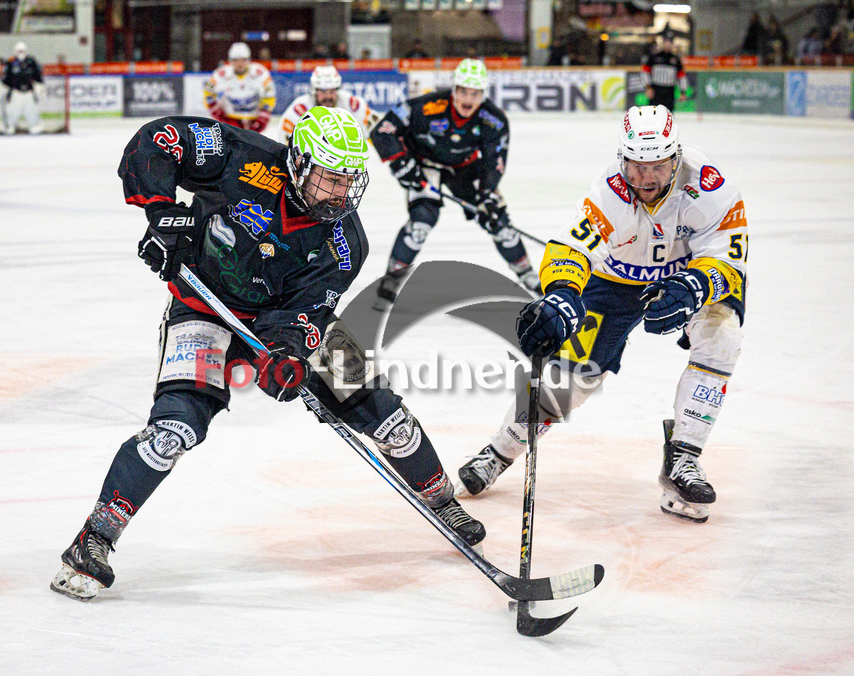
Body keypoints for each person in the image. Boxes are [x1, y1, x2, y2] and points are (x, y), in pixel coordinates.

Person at [49, 107, 486, 601]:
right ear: (299, 163)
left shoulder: (346, 243)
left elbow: (309, 313)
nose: (340, 194)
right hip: (202, 306)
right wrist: (162, 216)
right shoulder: (242, 158)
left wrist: (288, 356)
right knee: (172, 431)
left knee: (386, 417)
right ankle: (93, 540)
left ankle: (442, 500)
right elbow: (160, 138)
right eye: (328, 179)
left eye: (348, 182)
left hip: (280, 321)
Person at [458, 105, 748, 524]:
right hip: (614, 281)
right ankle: (501, 450)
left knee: (723, 337)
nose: (647, 179)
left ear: (677, 158)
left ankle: (683, 456)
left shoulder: (712, 187)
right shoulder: (609, 190)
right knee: (573, 378)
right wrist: (561, 295)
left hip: (690, 275)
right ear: (622, 159)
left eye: (659, 167)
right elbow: (572, 248)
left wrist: (693, 287)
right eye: (636, 166)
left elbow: (730, 258)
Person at [369, 58, 542, 309]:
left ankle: (529, 277)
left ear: (483, 94)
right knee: (421, 223)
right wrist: (402, 164)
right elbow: (382, 131)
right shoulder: (426, 106)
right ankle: (391, 280)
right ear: (454, 90)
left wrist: (486, 196)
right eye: (463, 92)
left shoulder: (494, 119)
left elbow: (495, 163)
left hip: (465, 170)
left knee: (500, 224)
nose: (467, 100)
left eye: (475, 93)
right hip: (425, 167)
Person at [277, 65, 379, 143]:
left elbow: (375, 131)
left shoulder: (352, 104)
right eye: (323, 91)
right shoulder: (299, 109)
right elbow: (284, 144)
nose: (328, 97)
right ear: (315, 91)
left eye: (332, 91)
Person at [203, 42, 276, 134]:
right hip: (230, 119)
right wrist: (215, 109)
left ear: (249, 59)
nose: (239, 64)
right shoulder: (221, 74)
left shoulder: (260, 73)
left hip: (254, 119)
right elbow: (208, 92)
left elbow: (269, 95)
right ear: (230, 61)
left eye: (243, 60)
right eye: (235, 60)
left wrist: (264, 115)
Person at [0, 41, 45, 134]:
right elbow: (6, 79)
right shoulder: (11, 62)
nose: (21, 53)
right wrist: (1, 89)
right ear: (15, 51)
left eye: (22, 51)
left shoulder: (31, 61)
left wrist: (41, 87)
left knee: (32, 112)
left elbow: (38, 76)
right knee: (12, 113)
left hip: (29, 92)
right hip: (16, 92)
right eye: (19, 51)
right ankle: (9, 126)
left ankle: (34, 126)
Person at [640, 32, 690, 110]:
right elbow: (645, 72)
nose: (667, 44)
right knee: (653, 114)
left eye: (670, 42)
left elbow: (682, 77)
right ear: (663, 43)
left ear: (672, 44)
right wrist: (648, 87)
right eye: (666, 42)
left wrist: (683, 92)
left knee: (668, 115)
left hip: (669, 91)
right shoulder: (654, 57)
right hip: (656, 90)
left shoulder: (676, 60)